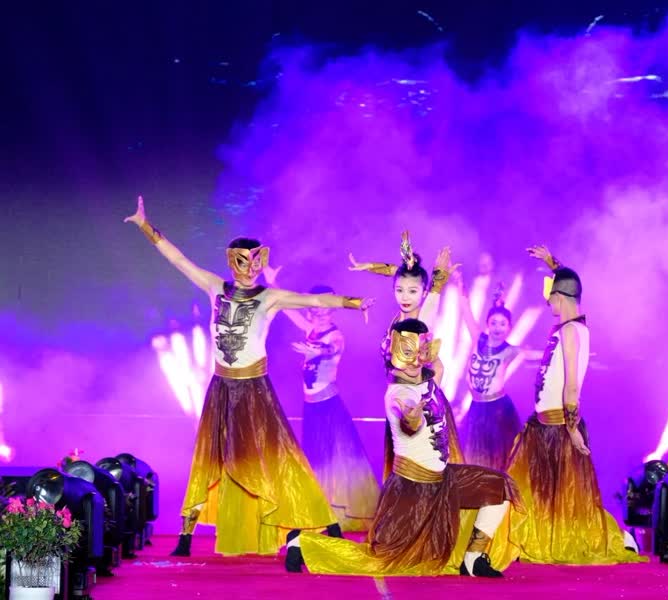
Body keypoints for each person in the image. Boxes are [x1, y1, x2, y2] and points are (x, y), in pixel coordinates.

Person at [124, 196, 372, 557]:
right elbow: (179, 261)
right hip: (221, 388)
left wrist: (354, 303)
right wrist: (147, 227)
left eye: (255, 261)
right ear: (232, 261)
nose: (250, 268)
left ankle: (321, 520)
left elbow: (314, 301)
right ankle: (186, 537)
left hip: (255, 390)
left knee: (278, 456)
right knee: (210, 457)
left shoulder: (269, 297)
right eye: (243, 261)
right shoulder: (215, 287)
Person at [288, 318, 523, 577]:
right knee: (383, 561)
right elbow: (409, 419)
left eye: (420, 352)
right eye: (408, 353)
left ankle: (473, 558)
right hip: (412, 491)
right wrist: (413, 416)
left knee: (499, 486)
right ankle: (302, 544)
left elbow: (438, 366)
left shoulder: (429, 381)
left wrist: (431, 344)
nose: (414, 361)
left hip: (444, 481)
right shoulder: (398, 394)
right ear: (393, 354)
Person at [505, 245, 646, 565]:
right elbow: (570, 281)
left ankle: (615, 537)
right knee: (546, 492)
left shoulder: (571, 331)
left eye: (551, 297)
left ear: (561, 298)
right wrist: (552, 264)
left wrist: (571, 429)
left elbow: (571, 386)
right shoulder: (570, 326)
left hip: (559, 426)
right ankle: (534, 537)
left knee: (567, 497)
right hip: (545, 425)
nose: (548, 303)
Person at [348, 232, 463, 476]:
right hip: (399, 402)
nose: (405, 297)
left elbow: (439, 367)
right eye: (399, 290)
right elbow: (398, 273)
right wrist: (369, 266)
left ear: (423, 292)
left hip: (419, 407)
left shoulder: (421, 322)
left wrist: (426, 400)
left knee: (419, 474)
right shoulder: (398, 318)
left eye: (412, 291)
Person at [281, 285, 380, 532]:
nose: (322, 312)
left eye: (327, 307)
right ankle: (322, 516)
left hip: (328, 407)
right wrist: (273, 283)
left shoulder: (336, 335)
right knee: (316, 462)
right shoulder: (311, 329)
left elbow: (332, 348)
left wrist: (315, 350)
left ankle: (334, 521)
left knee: (333, 463)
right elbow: (285, 306)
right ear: (311, 308)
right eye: (318, 307)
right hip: (311, 408)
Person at [451, 270, 540, 470]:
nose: (498, 328)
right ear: (487, 324)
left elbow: (535, 354)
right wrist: (460, 283)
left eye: (503, 324)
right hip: (476, 407)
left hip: (497, 410)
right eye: (494, 323)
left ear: (509, 327)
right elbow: (466, 311)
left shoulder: (510, 350)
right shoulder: (478, 338)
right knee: (475, 457)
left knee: (498, 457)